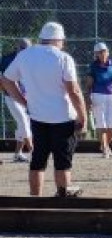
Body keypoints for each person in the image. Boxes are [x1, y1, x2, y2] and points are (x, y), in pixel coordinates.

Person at [0, 21, 87, 198]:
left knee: (38, 161)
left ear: (42, 38)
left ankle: (35, 200)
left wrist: (23, 101)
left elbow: (6, 80)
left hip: (37, 116)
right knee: (62, 163)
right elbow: (74, 91)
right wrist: (83, 116)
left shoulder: (25, 55)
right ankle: (62, 199)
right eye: (62, 41)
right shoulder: (63, 58)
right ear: (58, 39)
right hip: (63, 118)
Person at [84, 42, 112, 159]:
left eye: (103, 51)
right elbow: (89, 84)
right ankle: (105, 148)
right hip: (98, 95)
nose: (101, 54)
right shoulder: (93, 66)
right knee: (101, 124)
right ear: (96, 54)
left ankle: (105, 145)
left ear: (107, 52)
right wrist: (88, 99)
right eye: (99, 53)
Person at [0, 37, 33, 162]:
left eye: (28, 49)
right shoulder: (8, 59)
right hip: (12, 96)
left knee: (23, 124)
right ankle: (34, 151)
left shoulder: (30, 58)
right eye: (23, 48)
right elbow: (4, 80)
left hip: (27, 96)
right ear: (17, 47)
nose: (25, 51)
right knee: (24, 122)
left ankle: (18, 154)